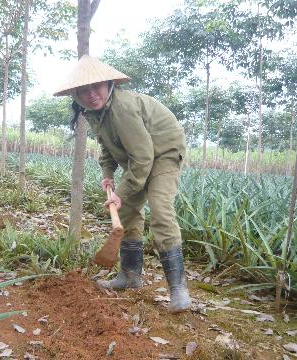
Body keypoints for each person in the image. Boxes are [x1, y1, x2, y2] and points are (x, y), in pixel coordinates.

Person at [54, 55, 191, 313]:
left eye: (96, 87)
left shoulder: (122, 108)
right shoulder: (95, 112)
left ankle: (178, 288)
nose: (91, 94)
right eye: (84, 90)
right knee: (127, 211)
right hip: (140, 156)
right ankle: (130, 275)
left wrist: (120, 193)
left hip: (163, 154)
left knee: (160, 210)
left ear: (109, 84)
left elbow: (144, 157)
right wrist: (108, 173)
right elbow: (107, 147)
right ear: (76, 95)